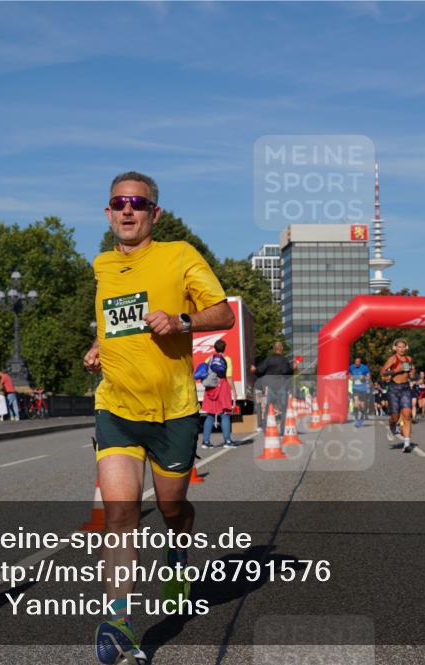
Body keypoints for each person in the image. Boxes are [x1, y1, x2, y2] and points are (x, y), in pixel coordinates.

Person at [82, 171, 234, 665]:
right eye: (119, 203)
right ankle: (119, 620)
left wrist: (180, 320)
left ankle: (178, 551)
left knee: (171, 509)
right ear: (108, 213)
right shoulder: (102, 264)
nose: (128, 210)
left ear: (155, 213)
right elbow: (115, 323)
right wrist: (98, 346)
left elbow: (223, 313)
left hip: (173, 411)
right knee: (120, 513)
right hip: (116, 406)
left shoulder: (180, 255)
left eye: (138, 203)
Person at [381, 339, 416, 452]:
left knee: (407, 415)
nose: (401, 349)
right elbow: (383, 372)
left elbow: (411, 374)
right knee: (395, 417)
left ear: (406, 348)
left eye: (403, 347)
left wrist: (412, 373)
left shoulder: (409, 359)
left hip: (405, 388)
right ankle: (392, 427)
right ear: (395, 348)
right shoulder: (392, 359)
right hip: (394, 388)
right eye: (399, 347)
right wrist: (396, 370)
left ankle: (406, 444)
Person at [200, 339, 237, 449]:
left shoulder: (209, 359)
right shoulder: (227, 359)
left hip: (210, 387)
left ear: (215, 348)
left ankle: (205, 442)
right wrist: (234, 391)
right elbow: (228, 377)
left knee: (210, 415)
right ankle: (227, 441)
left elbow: (203, 372)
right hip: (223, 386)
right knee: (225, 414)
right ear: (224, 348)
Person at [251, 341, 293, 427]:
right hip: (281, 386)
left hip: (270, 386)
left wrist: (255, 370)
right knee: (283, 407)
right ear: (282, 349)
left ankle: (265, 425)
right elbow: (286, 372)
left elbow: (260, 371)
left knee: (268, 406)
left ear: (274, 349)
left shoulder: (269, 359)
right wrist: (292, 368)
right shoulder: (284, 360)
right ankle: (283, 427)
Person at [348, 356, 372, 427]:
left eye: (358, 362)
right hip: (355, 388)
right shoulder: (351, 367)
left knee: (362, 405)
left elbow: (369, 377)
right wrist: (350, 377)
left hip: (363, 389)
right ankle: (356, 419)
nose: (357, 363)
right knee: (356, 403)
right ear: (354, 362)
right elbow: (349, 374)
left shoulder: (364, 368)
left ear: (360, 362)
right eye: (356, 362)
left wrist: (364, 377)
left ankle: (362, 415)